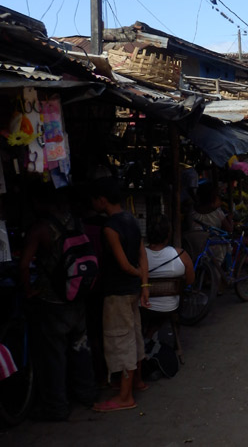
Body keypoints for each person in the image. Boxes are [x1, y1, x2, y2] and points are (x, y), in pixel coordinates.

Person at [19, 184, 97, 421]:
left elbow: (23, 265)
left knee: (54, 355)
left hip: (52, 300)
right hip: (77, 295)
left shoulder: (41, 228)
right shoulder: (75, 221)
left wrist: (29, 290)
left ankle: (57, 406)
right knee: (80, 346)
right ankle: (87, 394)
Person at [89, 177, 149, 412]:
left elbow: (124, 264)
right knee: (134, 335)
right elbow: (141, 255)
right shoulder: (131, 220)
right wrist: (144, 284)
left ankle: (125, 397)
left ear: (102, 200)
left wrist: (135, 275)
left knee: (120, 340)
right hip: (133, 291)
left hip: (118, 292)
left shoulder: (110, 228)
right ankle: (138, 381)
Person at [141, 215, 194, 339]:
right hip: (169, 307)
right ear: (168, 234)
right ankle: (153, 332)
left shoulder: (140, 255)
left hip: (142, 307)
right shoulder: (181, 254)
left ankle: (147, 335)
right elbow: (190, 281)